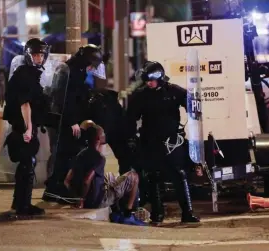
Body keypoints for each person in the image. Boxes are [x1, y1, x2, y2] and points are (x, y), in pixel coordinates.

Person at [126, 61, 200, 224]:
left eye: (151, 80)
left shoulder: (173, 91)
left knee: (179, 175)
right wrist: (132, 138)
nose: (148, 83)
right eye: (146, 81)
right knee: (152, 178)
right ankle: (157, 215)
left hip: (172, 142)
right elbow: (130, 118)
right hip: (150, 142)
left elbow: (192, 101)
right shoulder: (140, 95)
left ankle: (187, 213)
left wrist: (194, 109)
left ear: (160, 78)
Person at [43, 44, 104, 202]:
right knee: (64, 155)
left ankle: (54, 188)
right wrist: (72, 122)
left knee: (64, 154)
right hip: (65, 121)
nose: (92, 68)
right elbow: (67, 97)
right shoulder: (73, 71)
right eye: (92, 64)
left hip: (63, 119)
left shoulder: (74, 68)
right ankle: (55, 188)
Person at [64, 120, 147, 226]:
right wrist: (82, 199)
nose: (105, 135)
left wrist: (75, 197)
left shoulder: (80, 155)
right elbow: (86, 181)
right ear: (98, 138)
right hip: (98, 201)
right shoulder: (99, 158)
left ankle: (117, 209)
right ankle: (128, 214)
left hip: (87, 198)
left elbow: (67, 181)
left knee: (111, 176)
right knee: (134, 177)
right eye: (103, 134)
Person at [3, 38, 51, 215]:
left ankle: (19, 203)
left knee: (25, 165)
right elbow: (25, 104)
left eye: (41, 55)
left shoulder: (27, 73)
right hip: (23, 127)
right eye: (35, 55)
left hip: (23, 126)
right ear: (28, 55)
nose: (39, 58)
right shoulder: (26, 74)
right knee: (27, 165)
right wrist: (28, 128)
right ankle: (24, 206)